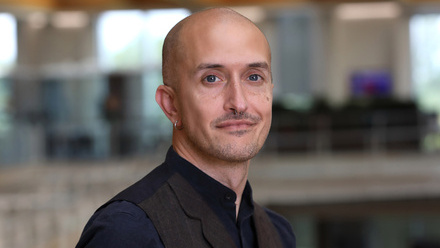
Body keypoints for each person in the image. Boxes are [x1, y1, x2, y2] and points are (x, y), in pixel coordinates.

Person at [76, 7, 296, 248]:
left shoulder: (277, 232)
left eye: (254, 77)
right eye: (211, 78)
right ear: (171, 104)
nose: (239, 103)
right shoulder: (127, 231)